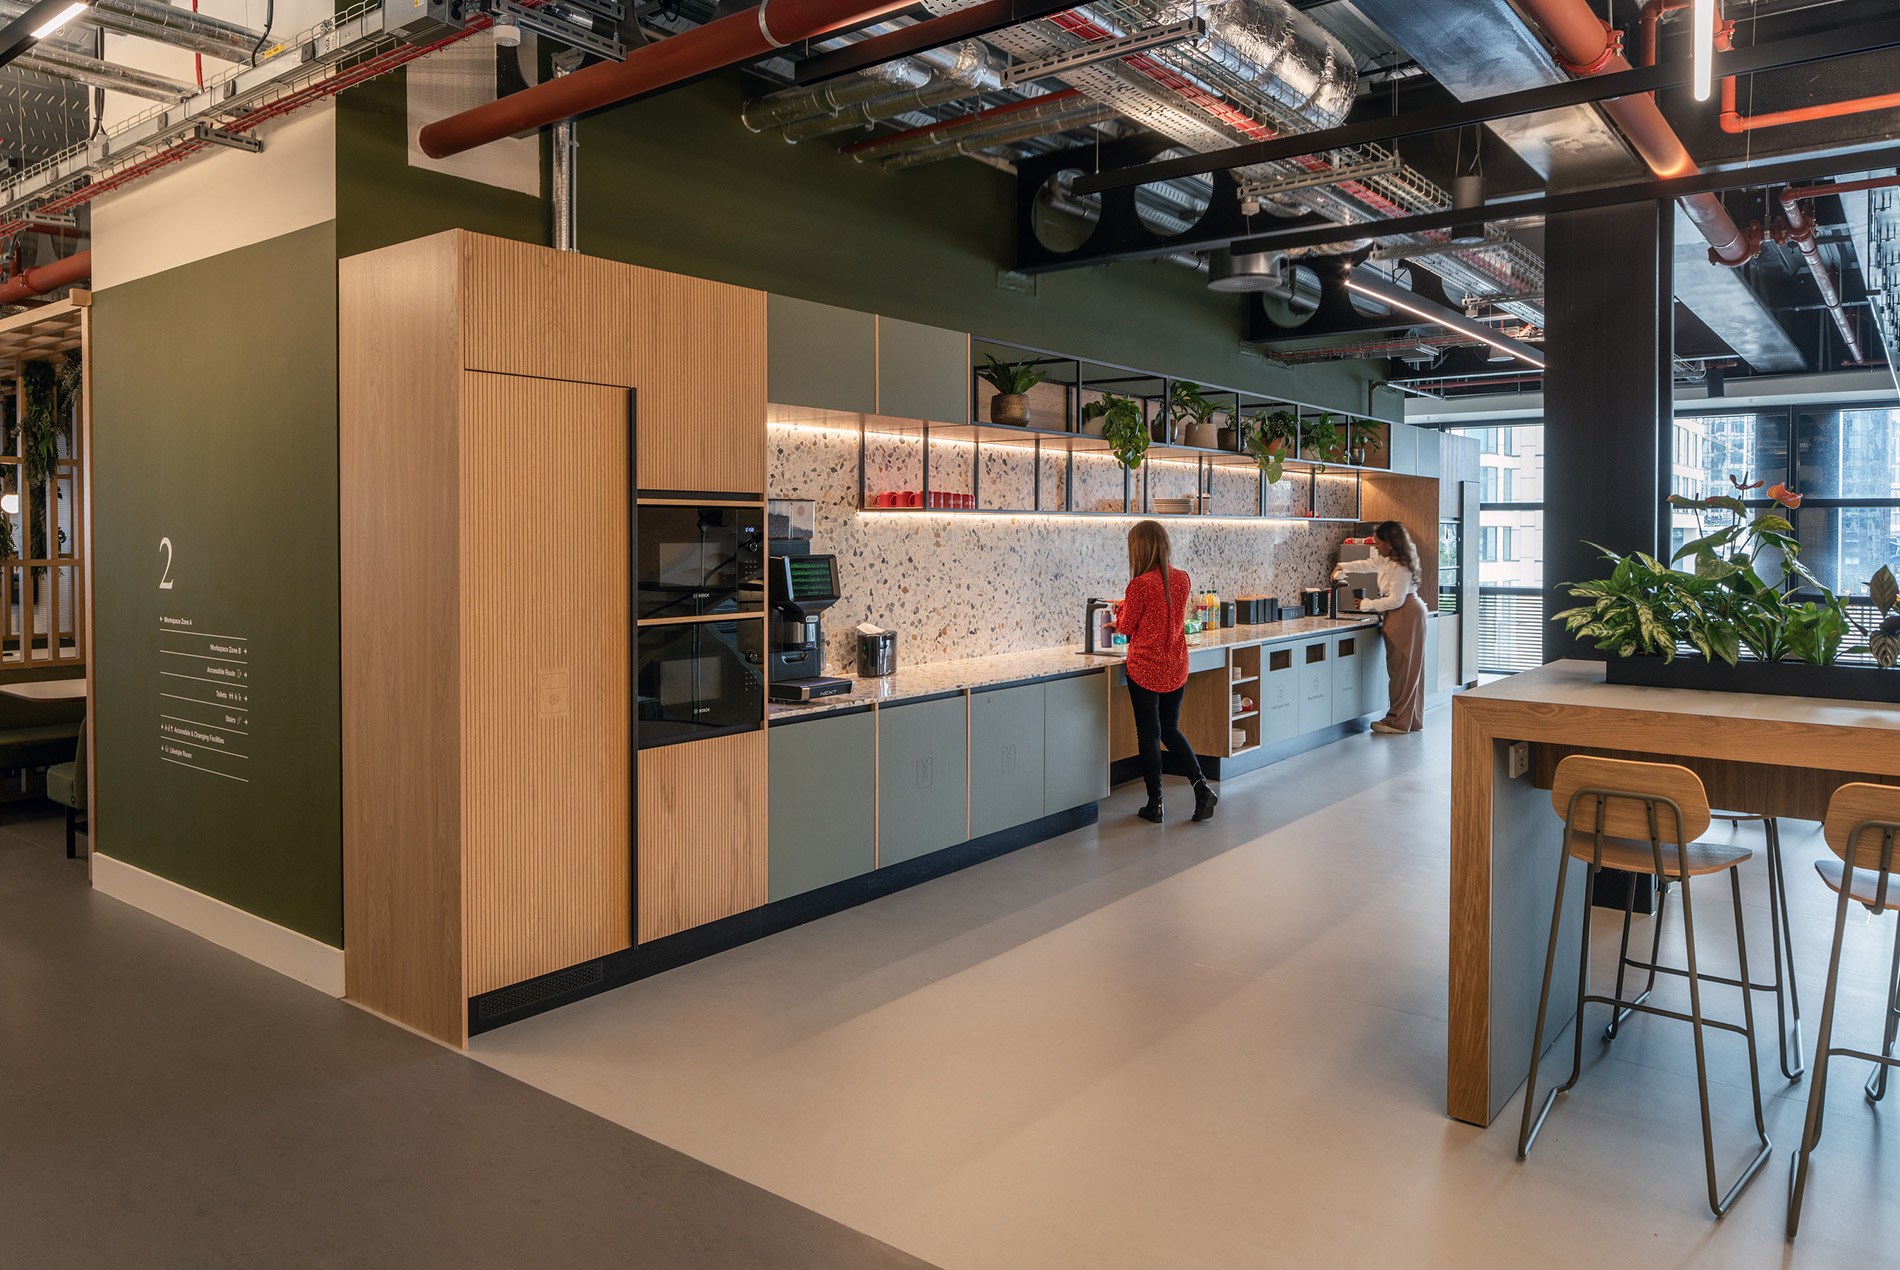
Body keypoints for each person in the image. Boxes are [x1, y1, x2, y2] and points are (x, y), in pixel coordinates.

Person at [1114, 520, 1216, 824]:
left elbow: (1126, 627)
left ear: (1139, 549)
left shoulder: (1139, 585)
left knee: (1149, 735)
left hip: (1145, 668)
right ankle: (1201, 786)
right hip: (1176, 665)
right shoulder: (1182, 579)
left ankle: (1155, 803)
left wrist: (1120, 609)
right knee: (1170, 730)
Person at [1342, 520, 1427, 735]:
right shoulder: (1391, 559)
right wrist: (1343, 566)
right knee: (1409, 669)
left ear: (1389, 543)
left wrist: (1366, 604)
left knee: (1401, 671)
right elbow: (1369, 565)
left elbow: (1396, 600)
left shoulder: (1400, 567)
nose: (1376, 546)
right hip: (1407, 613)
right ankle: (1411, 719)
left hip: (1405, 614)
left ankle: (1397, 721)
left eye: (1378, 543)